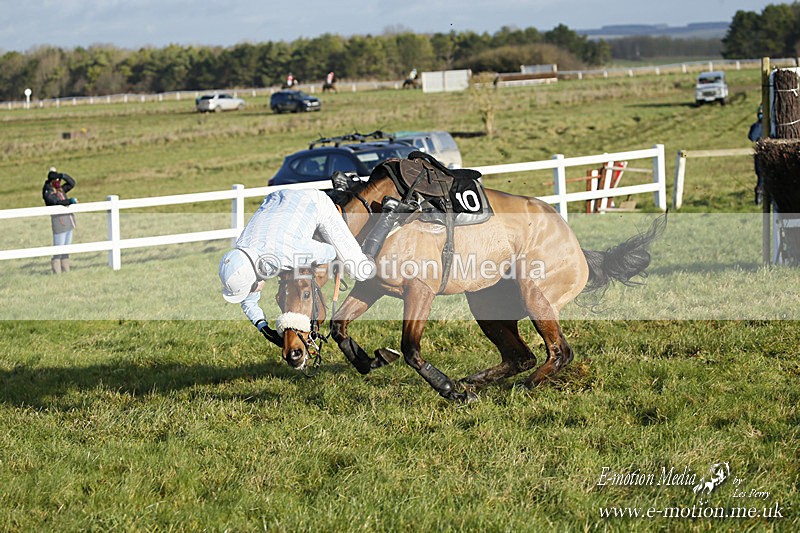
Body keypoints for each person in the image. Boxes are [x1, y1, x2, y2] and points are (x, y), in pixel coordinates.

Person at [219, 188, 375, 341]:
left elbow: (329, 252)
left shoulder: (287, 255)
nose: (254, 290)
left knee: (360, 271)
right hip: (280, 197)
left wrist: (306, 258)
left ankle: (389, 214)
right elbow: (248, 298)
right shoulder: (242, 249)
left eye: (252, 287)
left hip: (316, 204)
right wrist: (263, 327)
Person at [42, 167, 78, 274]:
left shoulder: (60, 190)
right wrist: (70, 201)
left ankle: (66, 271)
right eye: (56, 180)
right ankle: (57, 271)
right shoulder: (48, 192)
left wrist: (63, 175)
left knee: (66, 249)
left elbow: (72, 183)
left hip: (68, 222)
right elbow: (56, 202)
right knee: (58, 249)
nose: (58, 183)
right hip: (59, 223)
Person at [748, 105, 764, 205]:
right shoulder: (757, 126)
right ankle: (759, 199)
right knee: (761, 177)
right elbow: (752, 137)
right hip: (760, 155)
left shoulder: (773, 126)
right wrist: (759, 124)